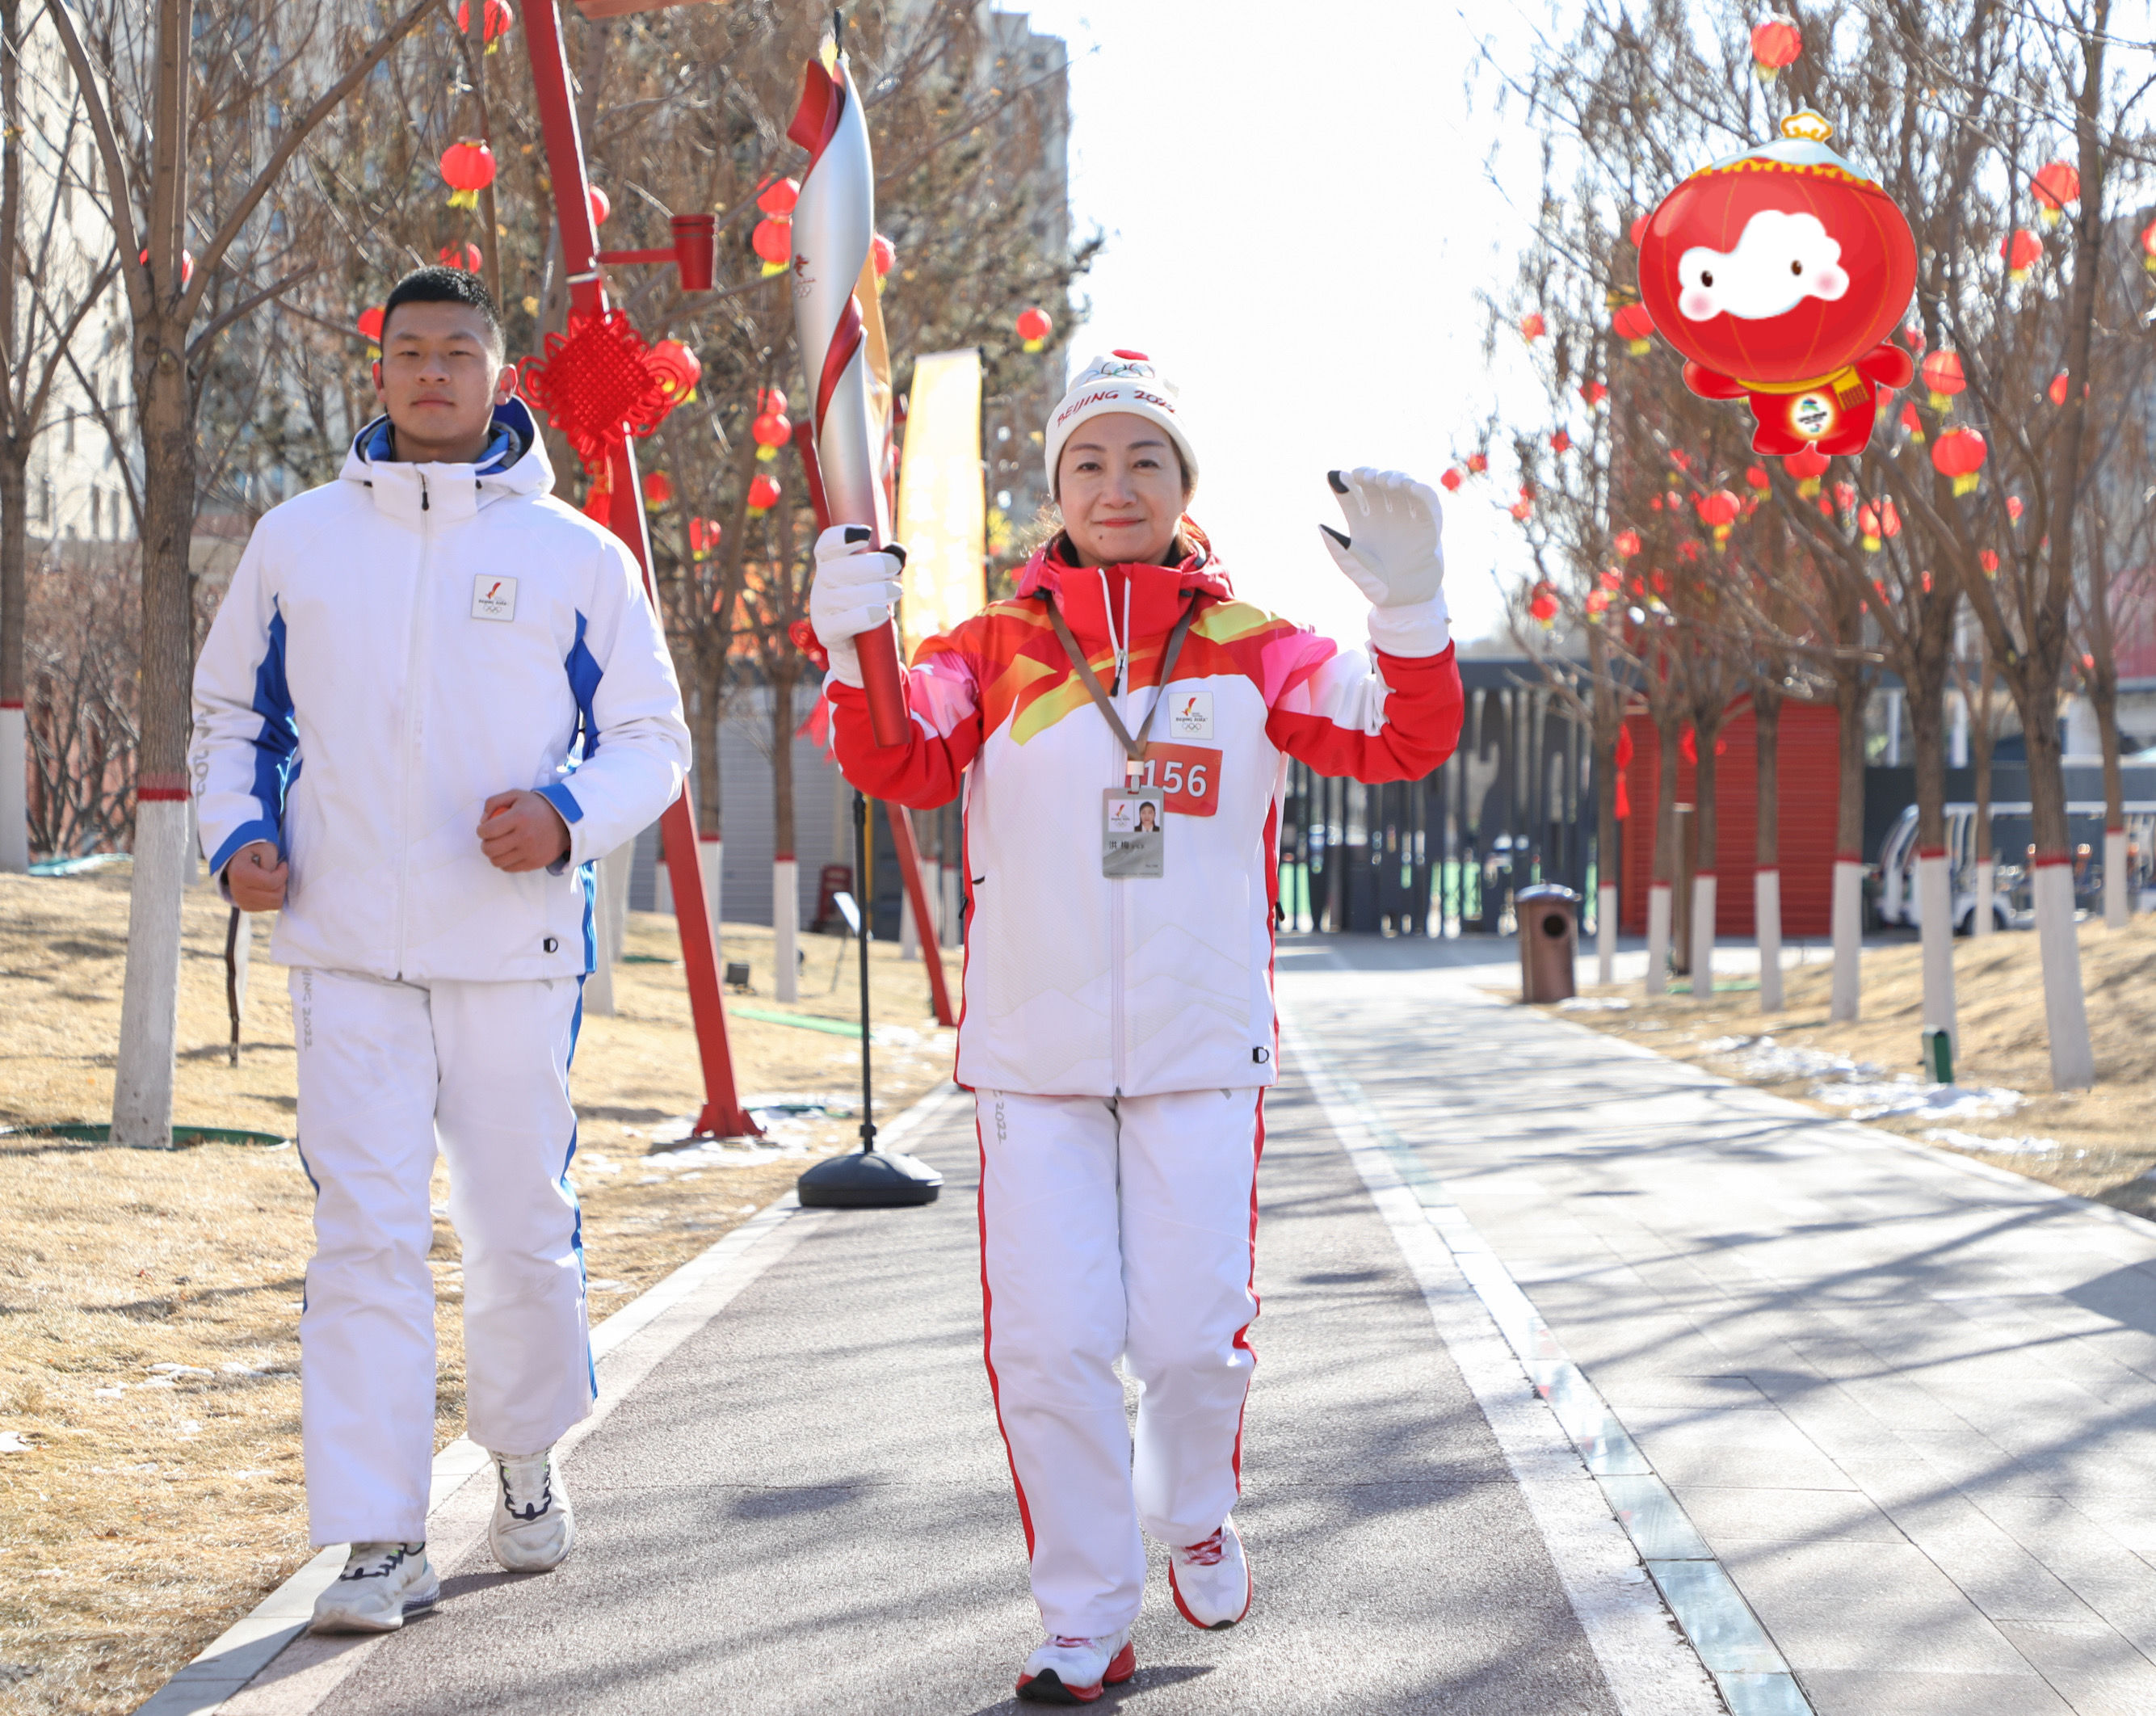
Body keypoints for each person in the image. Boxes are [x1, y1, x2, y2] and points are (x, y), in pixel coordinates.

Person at [809, 351, 1463, 1702]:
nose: (1116, 487)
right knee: (1046, 1345)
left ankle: (1195, 1506)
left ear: (1181, 490)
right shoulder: (986, 647)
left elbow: (1400, 739)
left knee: (1186, 1338)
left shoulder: (1251, 647)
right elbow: (898, 758)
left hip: (1195, 1047)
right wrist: (848, 644)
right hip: (1033, 1058)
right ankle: (1085, 1618)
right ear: (1053, 486)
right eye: (1089, 464)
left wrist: (1413, 608)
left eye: (1144, 462)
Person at [191, 267, 690, 1634]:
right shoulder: (300, 541)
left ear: (498, 374)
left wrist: (564, 815)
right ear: (380, 372)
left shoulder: (576, 554)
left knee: (518, 1224)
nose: (430, 374)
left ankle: (523, 1460)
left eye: (456, 353)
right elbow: (231, 713)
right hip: (344, 944)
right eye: (407, 352)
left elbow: (653, 740)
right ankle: (375, 1535)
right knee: (361, 1237)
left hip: (512, 950)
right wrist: (236, 836)